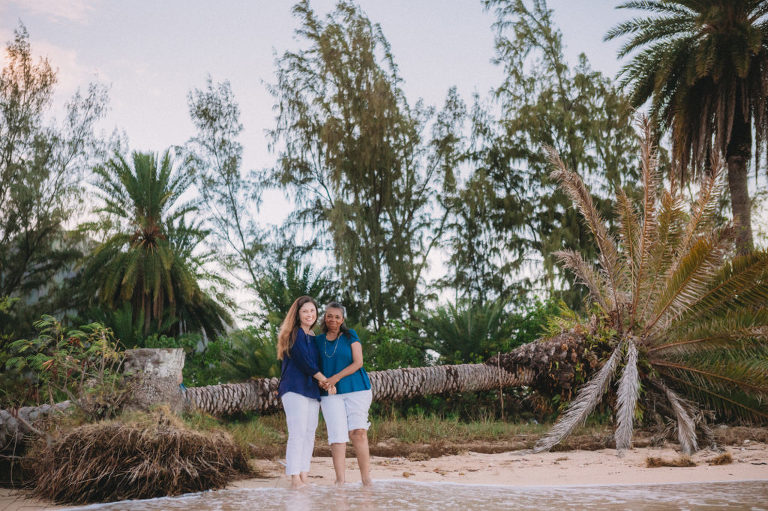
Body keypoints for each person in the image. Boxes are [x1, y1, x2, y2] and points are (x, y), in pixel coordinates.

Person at [276, 295, 335, 489]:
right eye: (305, 311)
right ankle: (294, 478)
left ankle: (304, 475)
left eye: (312, 310)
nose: (309, 314)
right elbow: (304, 362)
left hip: (311, 390)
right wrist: (326, 381)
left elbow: (317, 364)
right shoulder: (295, 334)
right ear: (297, 314)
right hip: (294, 388)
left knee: (310, 433)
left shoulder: (313, 337)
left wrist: (325, 383)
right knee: (297, 432)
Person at [315, 302, 373, 486]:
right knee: (337, 436)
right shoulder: (317, 341)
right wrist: (324, 381)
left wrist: (335, 378)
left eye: (337, 316)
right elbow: (313, 367)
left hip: (357, 389)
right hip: (330, 394)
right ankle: (340, 481)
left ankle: (366, 480)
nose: (333, 319)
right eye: (329, 315)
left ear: (342, 319)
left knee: (358, 433)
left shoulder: (350, 336)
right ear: (325, 317)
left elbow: (358, 363)